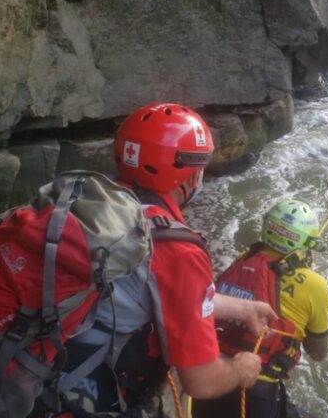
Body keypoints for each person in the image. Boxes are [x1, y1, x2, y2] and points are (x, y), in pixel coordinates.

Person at [53, 103, 278, 417]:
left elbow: (165, 294)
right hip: (85, 395)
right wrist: (241, 369)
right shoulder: (176, 249)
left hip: (33, 366)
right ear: (191, 173)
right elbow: (202, 381)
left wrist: (243, 308)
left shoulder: (93, 199)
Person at [191, 200, 328, 418]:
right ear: (307, 242)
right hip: (255, 388)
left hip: (210, 375)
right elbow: (318, 353)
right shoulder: (315, 285)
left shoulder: (243, 258)